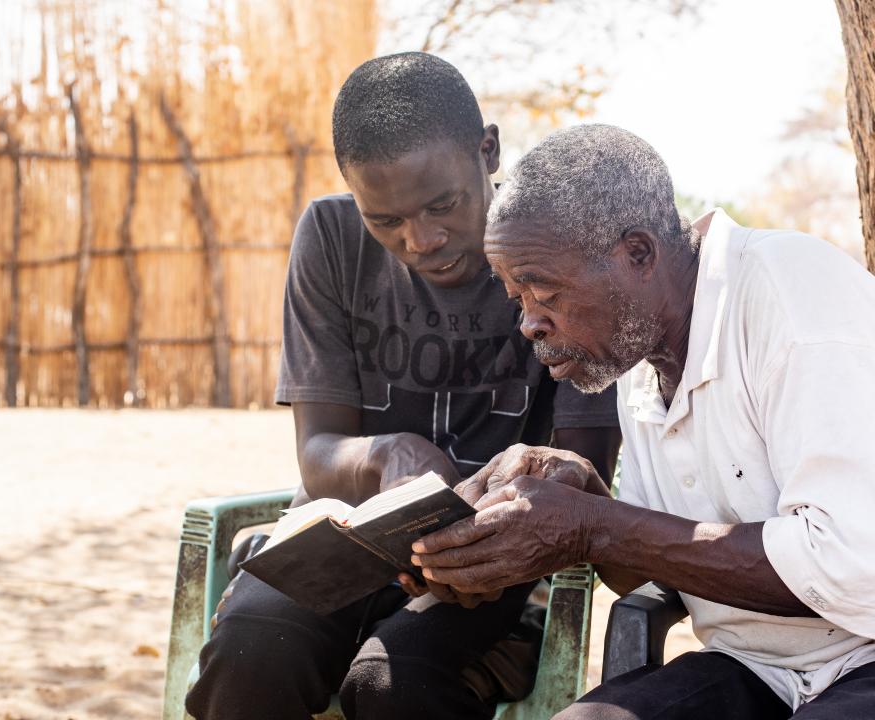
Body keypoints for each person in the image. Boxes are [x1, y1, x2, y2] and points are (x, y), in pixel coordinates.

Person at [184, 55, 621, 720]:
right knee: (253, 652)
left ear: (489, 150)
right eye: (384, 219)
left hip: (490, 565)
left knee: (394, 683)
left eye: (442, 205)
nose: (421, 239)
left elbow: (586, 464)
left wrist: (490, 523)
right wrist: (390, 456)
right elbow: (320, 453)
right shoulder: (330, 239)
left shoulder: (559, 253)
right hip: (344, 537)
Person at [410, 123, 875, 718]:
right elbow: (664, 566)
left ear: (638, 254)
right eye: (516, 298)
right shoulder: (635, 355)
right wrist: (580, 489)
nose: (528, 323)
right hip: (757, 668)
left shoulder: (790, 291)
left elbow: (849, 568)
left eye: (543, 291)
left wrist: (595, 525)